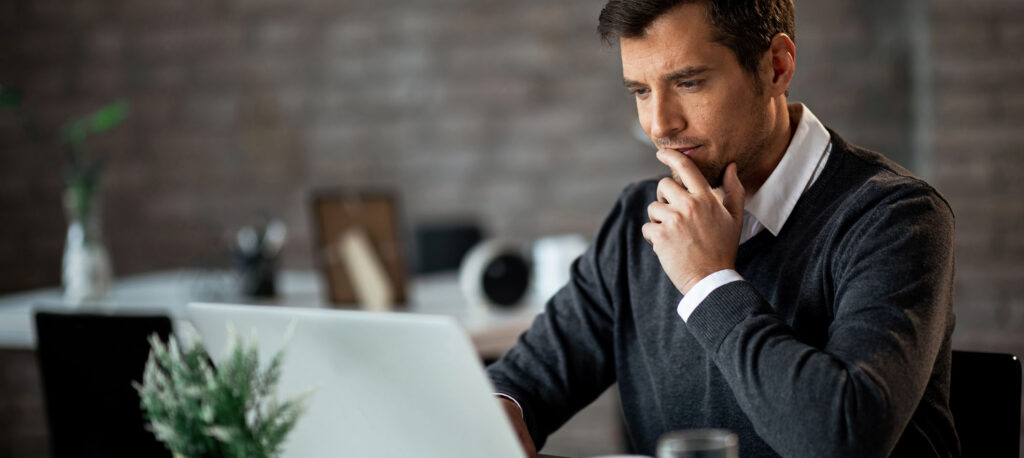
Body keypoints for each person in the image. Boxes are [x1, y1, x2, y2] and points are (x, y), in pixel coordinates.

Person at [486, 0, 959, 457]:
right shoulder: (640, 218)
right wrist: (499, 410)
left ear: (776, 67)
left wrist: (707, 280)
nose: (659, 124)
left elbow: (840, 438)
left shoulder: (896, 218)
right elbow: (524, 381)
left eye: (688, 82)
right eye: (641, 91)